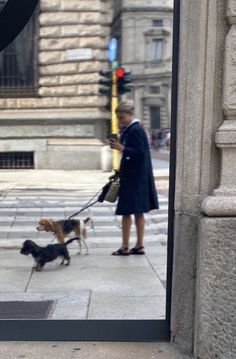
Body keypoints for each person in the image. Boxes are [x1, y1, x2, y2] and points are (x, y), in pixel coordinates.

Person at [109, 101, 159, 256]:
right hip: (137, 177)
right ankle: (138, 245)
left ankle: (125, 247)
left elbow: (141, 153)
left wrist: (122, 148)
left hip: (134, 179)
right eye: (118, 118)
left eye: (122, 117)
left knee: (126, 212)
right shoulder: (132, 129)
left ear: (130, 115)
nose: (120, 120)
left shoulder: (135, 129)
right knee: (138, 212)